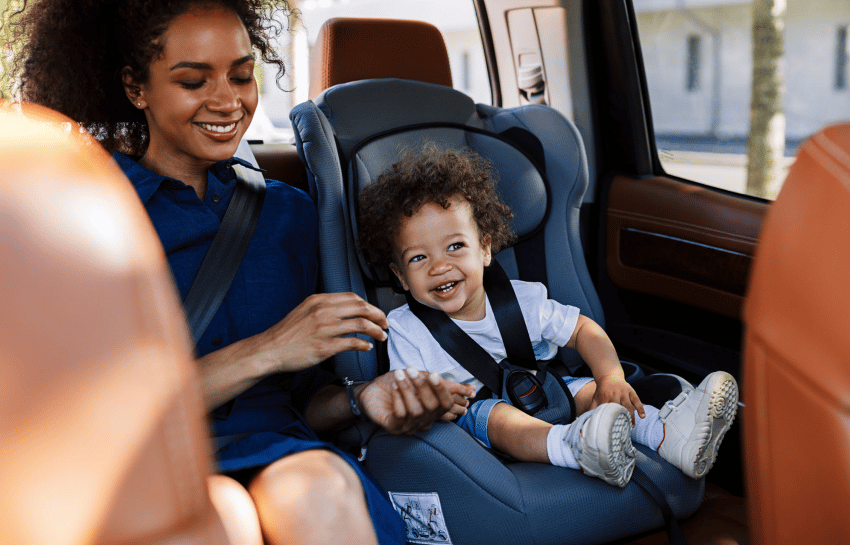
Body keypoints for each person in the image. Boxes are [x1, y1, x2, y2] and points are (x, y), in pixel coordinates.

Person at [3, 2, 475, 544]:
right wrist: (270, 347)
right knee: (221, 518)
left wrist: (360, 400)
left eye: (242, 76)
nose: (228, 101)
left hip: (285, 450)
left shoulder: (292, 215)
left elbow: (305, 398)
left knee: (314, 491)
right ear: (137, 88)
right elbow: (80, 420)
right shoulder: (82, 213)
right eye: (192, 81)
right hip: (147, 464)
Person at [357, 143, 739, 488]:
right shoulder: (406, 330)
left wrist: (610, 377)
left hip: (546, 389)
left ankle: (668, 437)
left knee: (594, 393)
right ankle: (576, 449)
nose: (440, 267)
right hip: (473, 422)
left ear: (485, 250)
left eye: (455, 246)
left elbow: (583, 331)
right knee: (501, 418)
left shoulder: (521, 299)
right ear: (400, 276)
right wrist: (437, 401)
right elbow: (410, 396)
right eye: (419, 258)